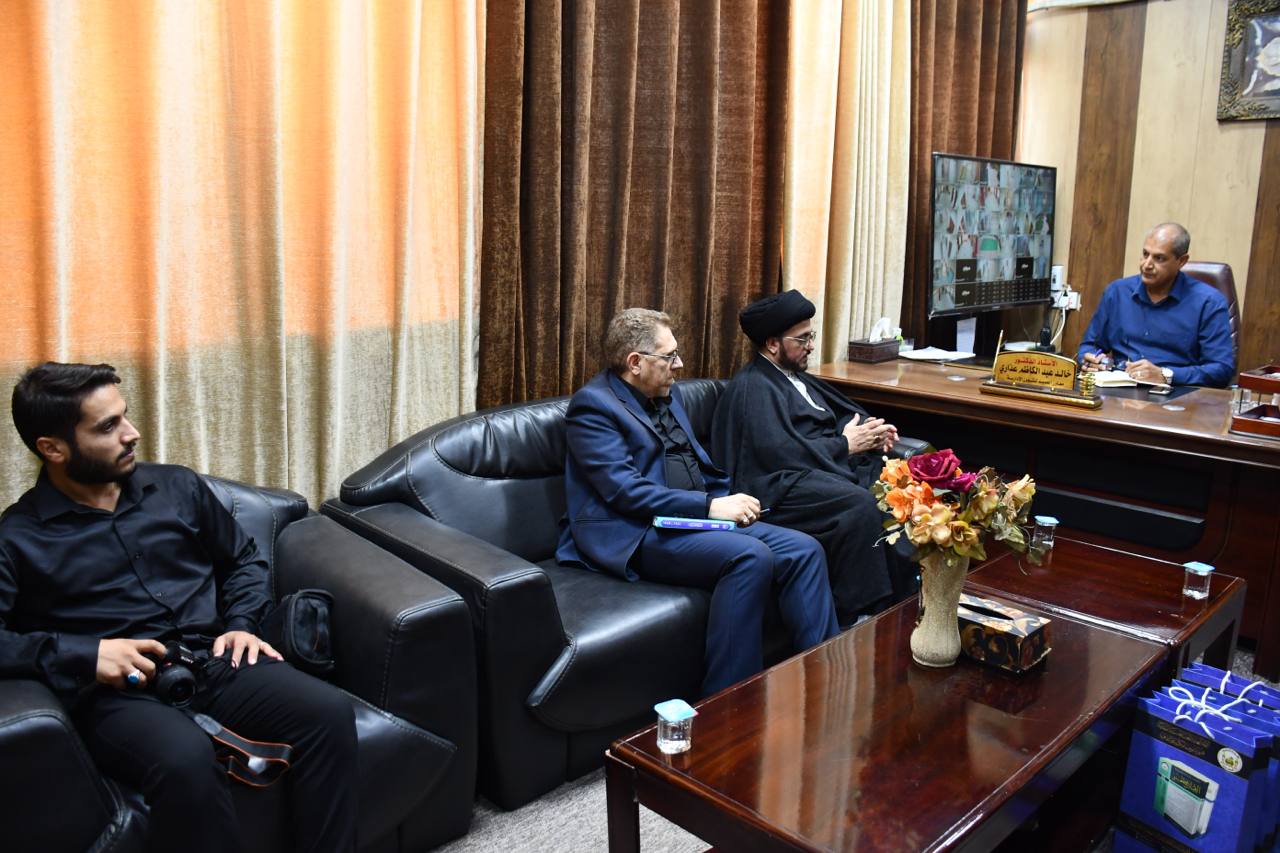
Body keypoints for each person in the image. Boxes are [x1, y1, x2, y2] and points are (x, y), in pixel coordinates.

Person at [0, 362, 356, 852]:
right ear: (53, 448)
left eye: (125, 416)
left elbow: (243, 559)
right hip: (117, 697)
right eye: (108, 426)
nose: (132, 433)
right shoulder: (17, 538)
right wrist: (86, 654)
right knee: (184, 759)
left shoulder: (178, 488)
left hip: (216, 658)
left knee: (328, 713)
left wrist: (242, 623)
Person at [555, 309, 839, 695]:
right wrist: (709, 507)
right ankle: (729, 701)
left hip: (690, 519)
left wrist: (727, 499)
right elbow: (624, 491)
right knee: (749, 556)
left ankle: (823, 679)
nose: (679, 364)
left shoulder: (666, 394)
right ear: (635, 362)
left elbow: (694, 464)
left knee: (804, 549)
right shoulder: (593, 407)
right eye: (669, 356)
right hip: (636, 531)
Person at [709, 290, 912, 627]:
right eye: (802, 339)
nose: (811, 346)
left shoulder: (797, 378)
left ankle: (908, 599)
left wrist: (872, 433)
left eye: (811, 336)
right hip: (779, 484)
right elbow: (777, 454)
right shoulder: (752, 387)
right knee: (858, 505)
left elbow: (839, 417)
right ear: (772, 344)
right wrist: (844, 446)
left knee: (900, 484)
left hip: (823, 468)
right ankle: (861, 615)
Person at [1078, 222, 1234, 387]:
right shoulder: (1117, 292)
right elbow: (1089, 346)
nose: (1147, 265)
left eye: (1159, 258)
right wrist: (1091, 360)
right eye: (1145, 254)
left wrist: (1165, 375)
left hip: (1177, 393)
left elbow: (1221, 369)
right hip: (1118, 389)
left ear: (1181, 261)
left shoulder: (1208, 302)